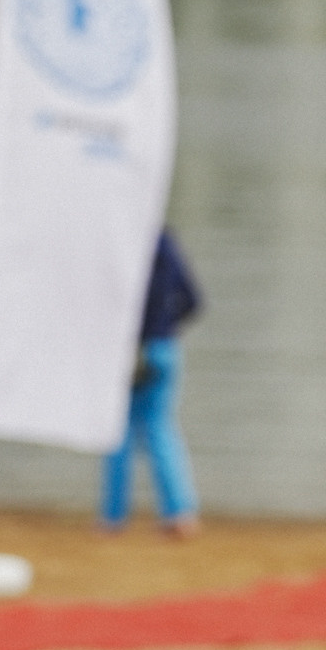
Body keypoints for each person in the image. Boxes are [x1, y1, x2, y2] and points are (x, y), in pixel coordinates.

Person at [100, 229, 204, 537]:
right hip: (166, 348)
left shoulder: (124, 240)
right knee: (160, 429)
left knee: (118, 433)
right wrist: (165, 328)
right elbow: (193, 301)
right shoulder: (165, 241)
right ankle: (180, 513)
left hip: (129, 350)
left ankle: (113, 517)